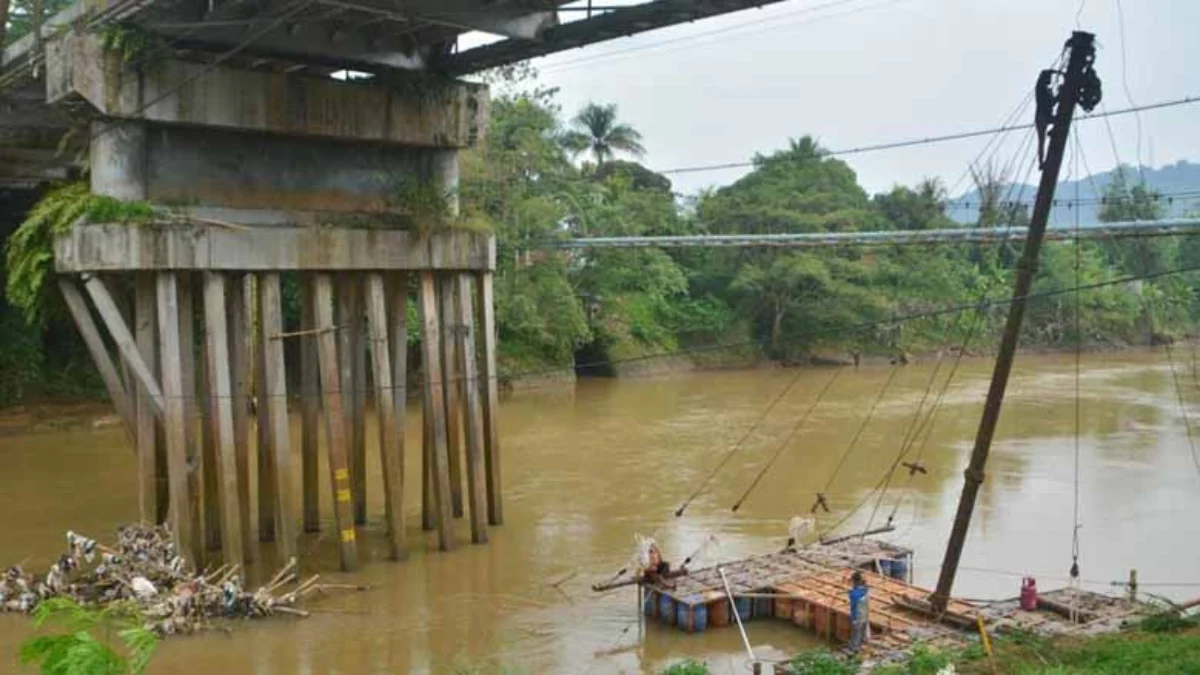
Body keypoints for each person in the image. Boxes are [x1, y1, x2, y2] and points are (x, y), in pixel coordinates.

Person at [848, 571, 870, 653]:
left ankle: (854, 647)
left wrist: (853, 618)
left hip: (858, 615)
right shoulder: (866, 590)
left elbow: (854, 606)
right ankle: (862, 644)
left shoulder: (855, 594)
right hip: (865, 614)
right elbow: (864, 587)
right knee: (862, 629)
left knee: (856, 631)